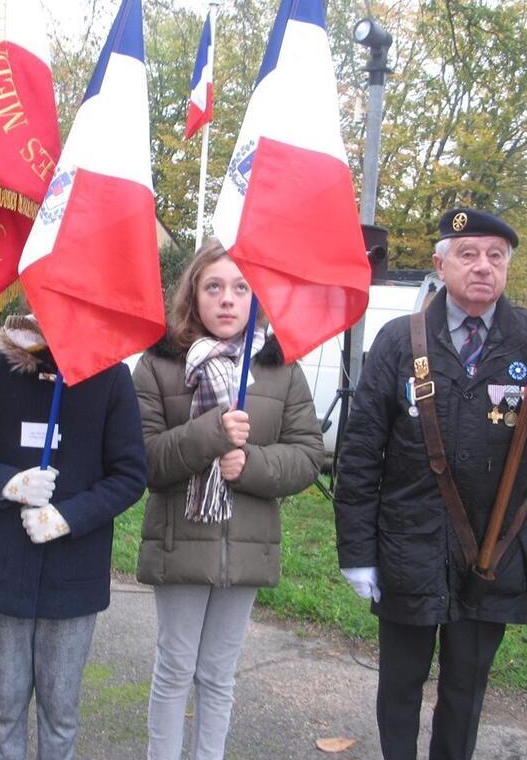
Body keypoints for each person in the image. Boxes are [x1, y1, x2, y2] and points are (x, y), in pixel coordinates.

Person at [333, 208, 527, 760]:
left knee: (465, 693)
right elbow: (359, 454)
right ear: (440, 264)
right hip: (408, 544)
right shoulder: (399, 340)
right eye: (468, 254)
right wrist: (357, 551)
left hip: (491, 551)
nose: (482, 267)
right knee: (399, 686)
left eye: (496, 256)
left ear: (508, 269)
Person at [134, 241, 325, 760]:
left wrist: (253, 465)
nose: (227, 300)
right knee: (175, 669)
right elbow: (145, 460)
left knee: (218, 674)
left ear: (256, 298)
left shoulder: (281, 367)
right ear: (193, 294)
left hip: (247, 548)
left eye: (241, 288)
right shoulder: (158, 365)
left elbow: (309, 455)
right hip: (180, 543)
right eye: (213, 286)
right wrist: (210, 434)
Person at [0, 313, 146, 760]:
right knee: (6, 707)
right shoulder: (1, 367)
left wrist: (67, 516)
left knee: (60, 715)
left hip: (73, 578)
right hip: (4, 570)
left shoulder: (110, 376)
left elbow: (131, 474)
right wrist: (9, 484)